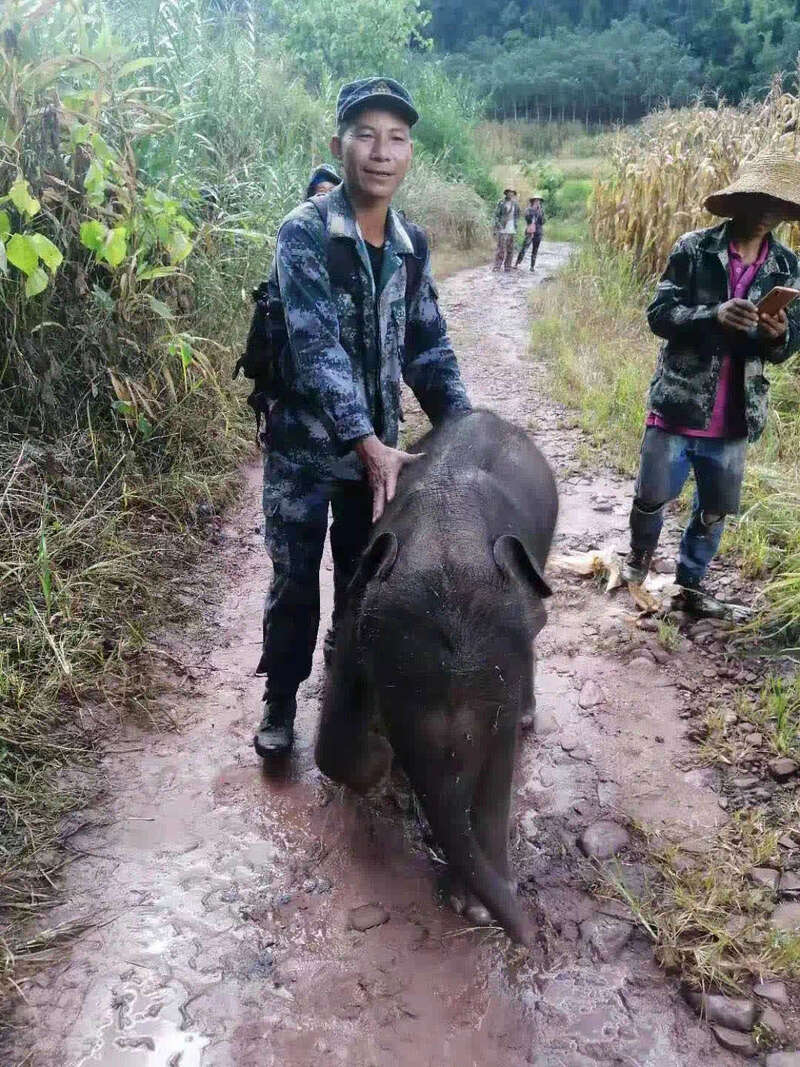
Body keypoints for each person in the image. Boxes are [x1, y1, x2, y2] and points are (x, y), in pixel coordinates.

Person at [253, 77, 472, 756]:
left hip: (377, 461)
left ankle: (346, 690)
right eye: (366, 135)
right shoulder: (305, 232)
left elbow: (428, 347)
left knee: (364, 580)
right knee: (295, 580)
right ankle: (281, 699)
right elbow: (315, 347)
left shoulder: (412, 245)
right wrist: (366, 441)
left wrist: (467, 432)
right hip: (305, 451)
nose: (382, 152)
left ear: (409, 153)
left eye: (397, 138)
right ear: (338, 145)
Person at [620, 151, 800, 614]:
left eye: (778, 203)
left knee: (716, 508)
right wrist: (712, 315)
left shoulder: (787, 266)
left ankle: (691, 586)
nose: (767, 211)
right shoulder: (694, 248)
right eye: (760, 199)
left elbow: (787, 345)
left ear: (787, 210)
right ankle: (638, 560)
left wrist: (777, 335)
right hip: (678, 401)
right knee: (652, 496)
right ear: (740, 199)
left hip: (737, 411)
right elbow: (659, 315)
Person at [515, 194, 545, 272]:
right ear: (533, 201)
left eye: (539, 201)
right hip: (530, 232)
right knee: (524, 248)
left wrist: (540, 213)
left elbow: (543, 222)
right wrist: (534, 212)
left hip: (538, 232)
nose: (538, 202)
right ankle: (517, 263)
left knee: (535, 250)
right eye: (536, 200)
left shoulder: (541, 210)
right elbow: (527, 219)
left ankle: (532, 266)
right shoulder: (528, 209)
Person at [493, 188, 519, 272]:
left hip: (512, 228)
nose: (511, 194)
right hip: (503, 227)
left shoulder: (515, 204)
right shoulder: (501, 203)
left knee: (510, 248)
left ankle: (507, 266)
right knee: (501, 248)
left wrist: (515, 224)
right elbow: (496, 215)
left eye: (512, 193)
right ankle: (497, 266)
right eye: (509, 192)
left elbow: (517, 215)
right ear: (506, 193)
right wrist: (498, 225)